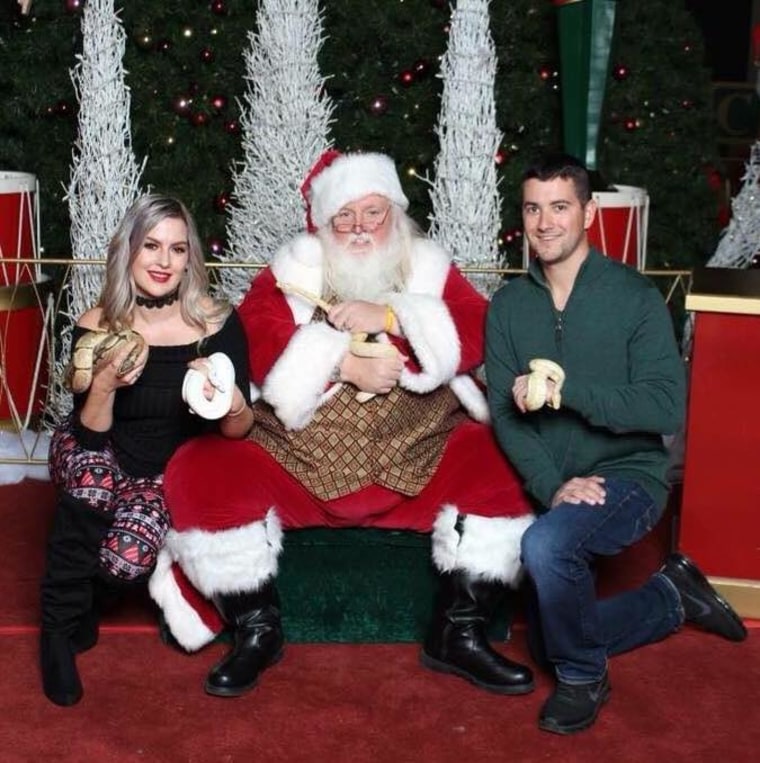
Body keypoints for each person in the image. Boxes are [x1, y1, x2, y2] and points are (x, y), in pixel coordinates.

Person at [149, 150, 537, 698]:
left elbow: (481, 326)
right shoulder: (292, 269)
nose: (359, 229)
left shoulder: (427, 265)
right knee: (199, 467)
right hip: (300, 466)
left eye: (372, 214)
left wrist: (394, 318)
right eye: (344, 218)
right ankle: (257, 631)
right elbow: (254, 337)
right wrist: (339, 361)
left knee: (509, 458)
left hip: (419, 461)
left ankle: (458, 633)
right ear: (323, 223)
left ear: (394, 214)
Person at [485, 153, 747, 736]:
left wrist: (567, 391)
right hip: (561, 478)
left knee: (547, 553)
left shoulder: (632, 297)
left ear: (587, 211)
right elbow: (505, 413)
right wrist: (552, 486)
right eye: (533, 208)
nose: (545, 222)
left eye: (560, 207)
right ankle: (671, 597)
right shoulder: (508, 307)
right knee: (551, 629)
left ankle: (583, 677)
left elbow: (664, 408)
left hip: (629, 475)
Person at [40, 194, 254, 707]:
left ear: (190, 257)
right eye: (151, 246)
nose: (163, 262)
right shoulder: (98, 325)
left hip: (158, 472)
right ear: (129, 251)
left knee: (127, 559)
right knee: (92, 480)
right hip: (94, 446)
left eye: (177, 249)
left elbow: (238, 432)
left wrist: (232, 400)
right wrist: (108, 383)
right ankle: (56, 630)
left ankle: (89, 603)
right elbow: (91, 432)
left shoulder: (217, 325)